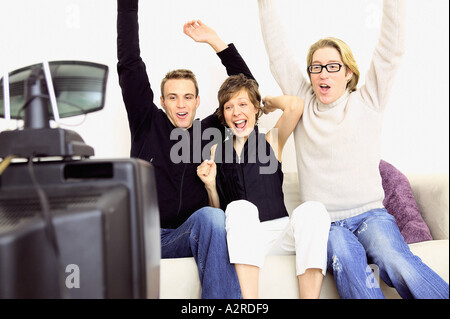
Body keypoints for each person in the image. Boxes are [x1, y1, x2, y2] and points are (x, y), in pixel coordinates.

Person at [257, 0, 449, 298]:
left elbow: (391, 51)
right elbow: (278, 53)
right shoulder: (303, 102)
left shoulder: (368, 99)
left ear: (348, 72)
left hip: (371, 216)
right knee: (346, 259)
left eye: (333, 67)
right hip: (327, 225)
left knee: (395, 259)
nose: (323, 74)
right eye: (316, 67)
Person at [117, 0, 255, 299]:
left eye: (188, 97)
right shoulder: (146, 123)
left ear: (197, 100)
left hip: (188, 234)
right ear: (163, 102)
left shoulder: (210, 132)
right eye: (173, 98)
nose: (181, 105)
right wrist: (127, 7)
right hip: (147, 238)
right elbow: (129, 63)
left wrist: (216, 43)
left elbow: (249, 93)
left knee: (213, 217)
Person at [196, 74, 331, 299]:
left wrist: (270, 103)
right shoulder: (216, 153)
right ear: (223, 115)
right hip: (243, 239)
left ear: (255, 109)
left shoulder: (271, 142)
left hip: (279, 233)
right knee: (240, 207)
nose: (236, 112)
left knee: (314, 210)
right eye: (229, 107)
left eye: (243, 104)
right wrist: (210, 186)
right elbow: (218, 211)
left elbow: (295, 106)